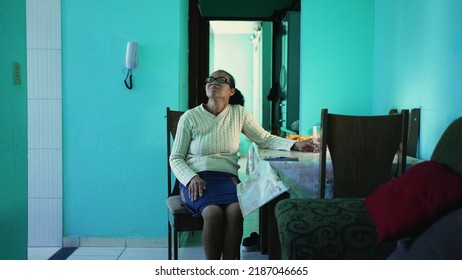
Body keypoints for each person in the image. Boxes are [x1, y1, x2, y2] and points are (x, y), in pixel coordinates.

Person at [169, 69, 316, 260]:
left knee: (236, 211)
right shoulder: (189, 117)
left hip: (226, 177)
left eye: (221, 80)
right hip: (196, 179)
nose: (214, 82)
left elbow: (264, 139)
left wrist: (294, 144)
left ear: (232, 91)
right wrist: (191, 178)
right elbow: (176, 157)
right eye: (210, 79)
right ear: (206, 87)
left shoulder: (239, 113)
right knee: (213, 214)